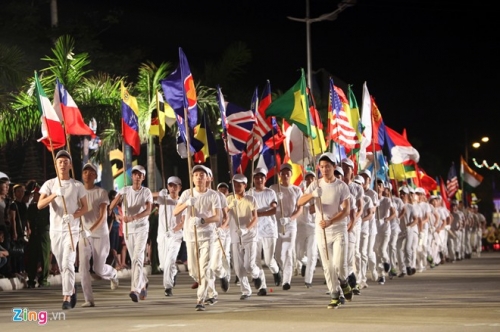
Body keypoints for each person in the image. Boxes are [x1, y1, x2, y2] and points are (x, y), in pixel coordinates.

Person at [298, 152, 351, 309]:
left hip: (338, 229)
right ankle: (335, 295)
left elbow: (347, 210)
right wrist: (312, 195)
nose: (324, 169)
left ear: (334, 167)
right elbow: (300, 202)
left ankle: (344, 281)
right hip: (321, 230)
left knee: (339, 264)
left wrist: (331, 220)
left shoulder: (341, 186)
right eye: (321, 167)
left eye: (327, 166)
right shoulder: (315, 184)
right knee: (327, 266)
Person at [37, 150, 88, 310]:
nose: (63, 164)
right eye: (60, 162)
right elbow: (40, 205)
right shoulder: (50, 184)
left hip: (71, 230)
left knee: (67, 263)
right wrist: (54, 195)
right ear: (56, 164)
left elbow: (85, 207)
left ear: (70, 165)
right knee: (61, 263)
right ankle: (72, 288)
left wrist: (73, 216)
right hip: (56, 231)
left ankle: (66, 296)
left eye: (66, 162)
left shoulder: (77, 185)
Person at [173, 164, 221, 312]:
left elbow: (217, 216)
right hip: (191, 236)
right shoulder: (187, 194)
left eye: (202, 175)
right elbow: (175, 212)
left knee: (204, 268)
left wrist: (202, 220)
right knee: (194, 271)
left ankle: (200, 298)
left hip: (207, 236)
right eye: (196, 175)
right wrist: (187, 204)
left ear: (207, 178)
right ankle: (212, 290)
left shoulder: (213, 195)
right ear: (192, 178)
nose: (199, 177)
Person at [109, 165, 152, 303]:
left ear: (143, 177)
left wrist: (133, 217)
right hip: (128, 229)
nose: (137, 177)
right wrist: (117, 215)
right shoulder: (125, 190)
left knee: (138, 258)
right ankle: (143, 281)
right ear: (131, 176)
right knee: (134, 259)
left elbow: (148, 210)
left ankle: (135, 289)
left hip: (141, 228)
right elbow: (111, 206)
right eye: (135, 174)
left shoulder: (146, 192)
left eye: (140, 174)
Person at [79, 163, 119, 307]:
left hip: (100, 233)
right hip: (83, 234)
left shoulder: (101, 192)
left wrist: (91, 229)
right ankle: (88, 299)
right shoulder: (78, 191)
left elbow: (103, 216)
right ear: (82, 175)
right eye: (85, 172)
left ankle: (113, 274)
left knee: (98, 268)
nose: (88, 174)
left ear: (96, 176)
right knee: (83, 266)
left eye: (91, 172)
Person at [227, 173, 263, 300]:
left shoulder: (251, 199)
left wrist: (246, 229)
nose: (236, 186)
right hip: (235, 236)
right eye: (234, 184)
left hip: (249, 235)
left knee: (249, 265)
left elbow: (255, 218)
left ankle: (257, 274)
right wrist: (230, 206)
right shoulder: (229, 199)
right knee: (238, 267)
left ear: (245, 185)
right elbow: (223, 215)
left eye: (239, 184)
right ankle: (246, 291)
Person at [270, 163, 303, 291]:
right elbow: (269, 205)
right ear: (279, 175)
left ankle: (286, 280)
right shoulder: (273, 188)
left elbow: (300, 209)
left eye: (287, 173)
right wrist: (275, 200)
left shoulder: (296, 190)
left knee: (287, 252)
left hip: (290, 225)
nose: (285, 175)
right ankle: (279, 270)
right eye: (282, 173)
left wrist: (290, 219)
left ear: (291, 174)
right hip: (275, 225)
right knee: (278, 254)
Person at [248, 167, 280, 295]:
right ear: (253, 179)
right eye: (256, 177)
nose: (259, 179)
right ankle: (262, 286)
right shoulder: (249, 193)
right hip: (255, 231)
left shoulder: (270, 193)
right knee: (256, 260)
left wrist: (259, 214)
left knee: (268, 260)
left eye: (261, 177)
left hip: (269, 230)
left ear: (265, 179)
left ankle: (276, 271)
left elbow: (274, 209)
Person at [155, 176, 184, 297]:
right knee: (162, 266)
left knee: (169, 262)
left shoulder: (182, 201)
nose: (173, 188)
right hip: (162, 235)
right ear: (167, 187)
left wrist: (178, 227)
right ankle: (174, 271)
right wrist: (159, 193)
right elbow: (148, 195)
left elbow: (185, 218)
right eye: (170, 185)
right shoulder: (163, 198)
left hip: (176, 236)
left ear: (180, 188)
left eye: (175, 185)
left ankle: (168, 287)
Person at [25, 182, 51, 288]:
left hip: (44, 233)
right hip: (34, 234)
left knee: (44, 257)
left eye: (36, 194)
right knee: (32, 257)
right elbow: (27, 219)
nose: (34, 196)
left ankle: (43, 280)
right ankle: (31, 279)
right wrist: (28, 229)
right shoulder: (31, 207)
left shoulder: (48, 207)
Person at [295, 171, 317, 288]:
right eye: (307, 178)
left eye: (311, 178)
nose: (309, 180)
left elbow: (314, 209)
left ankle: (308, 280)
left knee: (312, 254)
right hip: (301, 226)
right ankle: (305, 263)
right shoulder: (300, 191)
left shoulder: (318, 191)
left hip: (313, 226)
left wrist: (312, 197)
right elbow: (297, 204)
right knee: (298, 254)